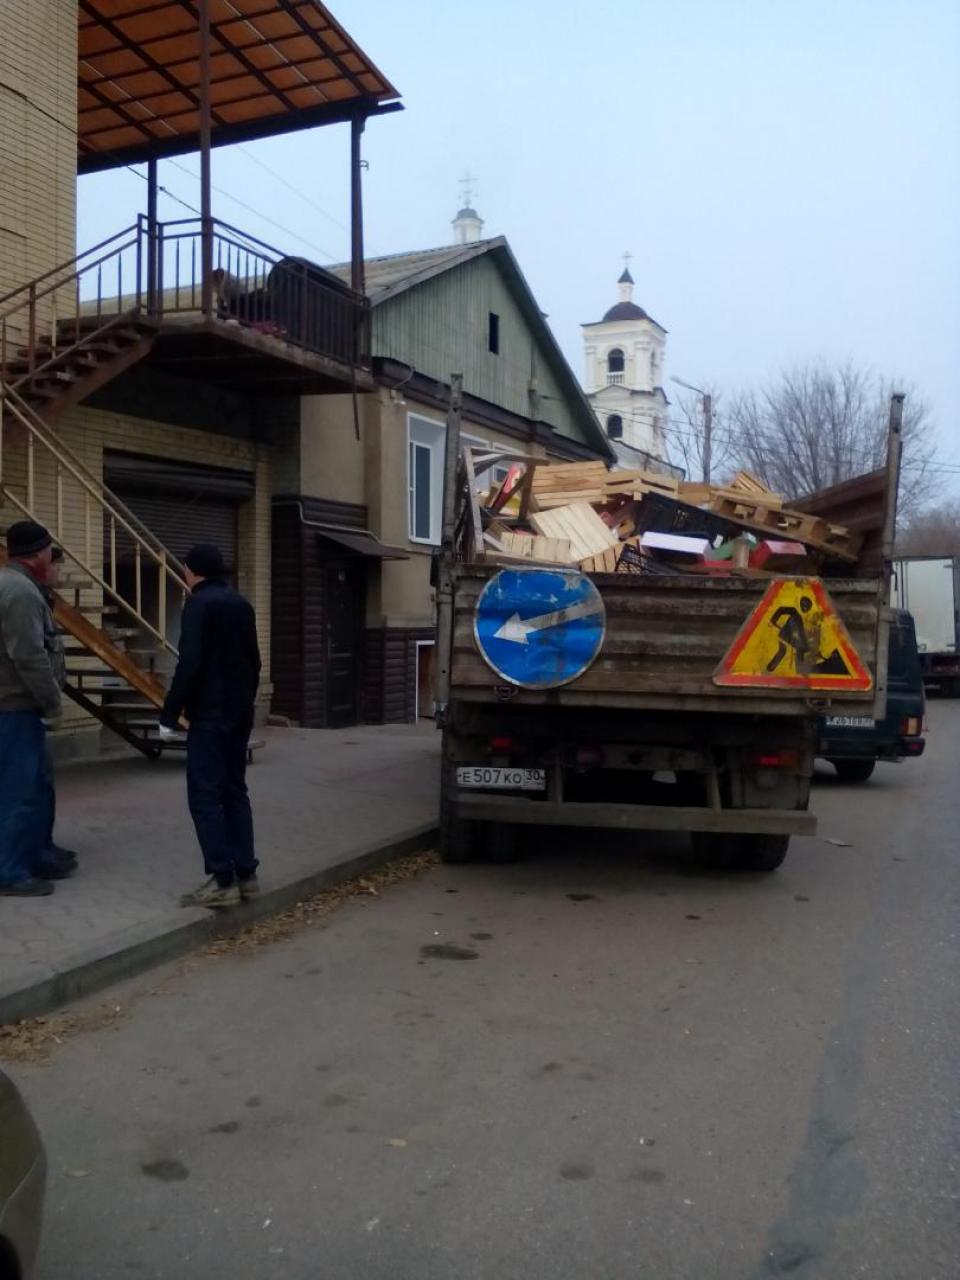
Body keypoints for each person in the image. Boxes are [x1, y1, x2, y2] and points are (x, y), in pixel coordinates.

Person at [159, 544, 261, 909]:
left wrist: (170, 714)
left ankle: (222, 880)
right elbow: (254, 661)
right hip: (239, 712)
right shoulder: (241, 604)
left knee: (204, 796)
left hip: (210, 714)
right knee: (234, 790)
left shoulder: (198, 605)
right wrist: (245, 701)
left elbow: (190, 664)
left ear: (190, 571)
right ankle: (246, 875)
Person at [0, 521, 75, 896]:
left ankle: (37, 854)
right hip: (14, 708)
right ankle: (10, 872)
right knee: (20, 791)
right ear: (37, 554)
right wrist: (53, 703)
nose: (52, 558)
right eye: (49, 551)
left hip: (19, 708)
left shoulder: (21, 586)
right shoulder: (20, 591)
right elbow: (29, 655)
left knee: (38, 786)